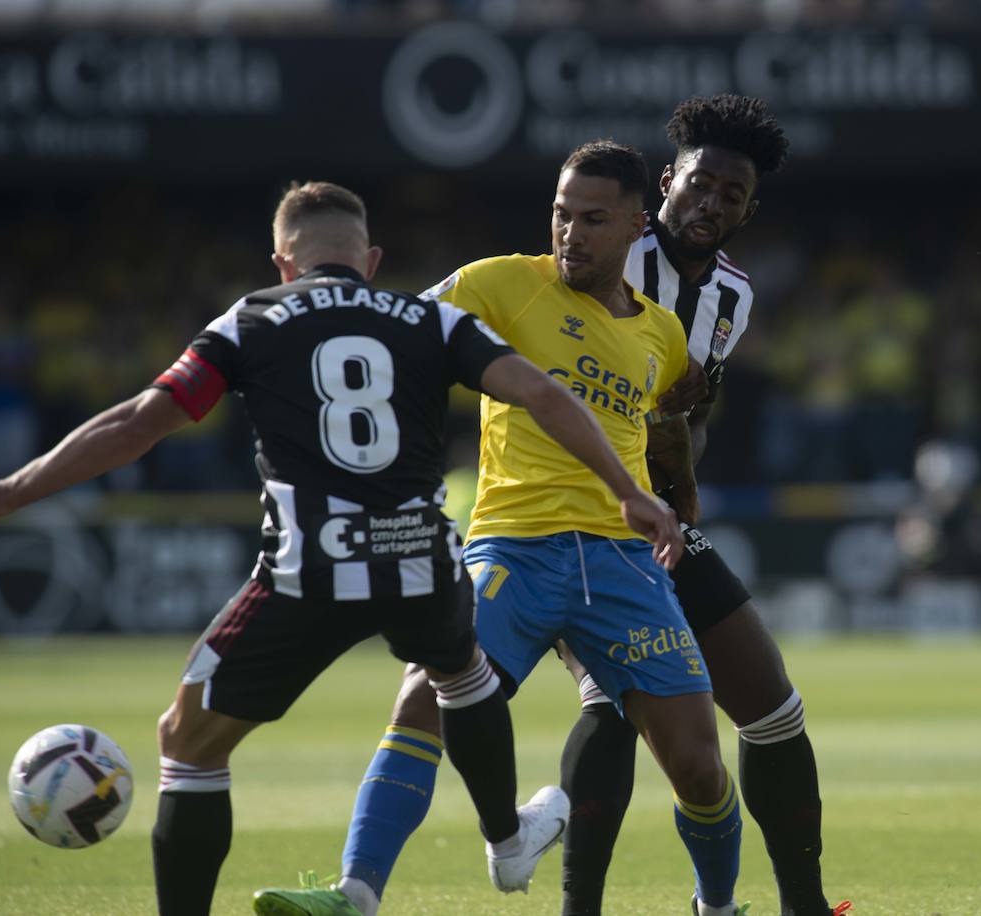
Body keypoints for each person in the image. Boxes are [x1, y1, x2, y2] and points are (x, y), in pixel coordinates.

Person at [0, 180, 684, 916]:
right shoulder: (425, 318)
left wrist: (14, 489)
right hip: (420, 561)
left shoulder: (254, 316)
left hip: (309, 567)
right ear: (370, 260)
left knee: (186, 742)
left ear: (283, 262)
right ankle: (508, 840)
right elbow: (543, 394)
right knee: (462, 674)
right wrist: (630, 491)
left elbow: (143, 421)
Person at [255, 141, 748, 916]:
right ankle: (354, 893)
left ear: (632, 227)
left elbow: (673, 413)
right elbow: (398, 327)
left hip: (623, 562)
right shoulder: (500, 284)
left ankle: (716, 908)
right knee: (423, 697)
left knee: (698, 766)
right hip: (513, 548)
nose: (570, 233)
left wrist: (681, 497)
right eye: (560, 214)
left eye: (591, 219)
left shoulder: (659, 332)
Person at [556, 94, 847, 916]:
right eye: (699, 184)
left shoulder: (732, 298)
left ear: (751, 209)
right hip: (569, 522)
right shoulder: (607, 251)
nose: (711, 203)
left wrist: (682, 502)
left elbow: (688, 412)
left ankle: (805, 905)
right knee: (614, 706)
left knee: (773, 710)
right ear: (665, 184)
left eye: (731, 194)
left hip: (658, 526)